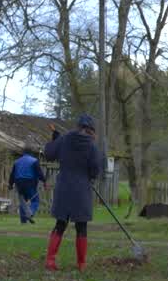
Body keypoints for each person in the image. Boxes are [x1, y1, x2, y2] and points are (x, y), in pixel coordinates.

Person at [42, 113, 104, 271]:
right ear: (91, 130)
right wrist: (89, 176)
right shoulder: (92, 146)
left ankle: (50, 261)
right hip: (81, 189)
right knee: (81, 227)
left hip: (64, 187)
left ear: (78, 126)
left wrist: (54, 140)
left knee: (60, 224)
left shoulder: (65, 138)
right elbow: (95, 169)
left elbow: (49, 154)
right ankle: (81, 264)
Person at [8, 148, 46, 224]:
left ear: (23, 154)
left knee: (23, 202)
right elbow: (39, 173)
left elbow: (12, 174)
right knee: (35, 200)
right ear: (31, 153)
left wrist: (10, 184)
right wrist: (44, 181)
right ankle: (30, 213)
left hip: (19, 182)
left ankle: (23, 221)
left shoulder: (17, 161)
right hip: (30, 182)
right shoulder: (34, 160)